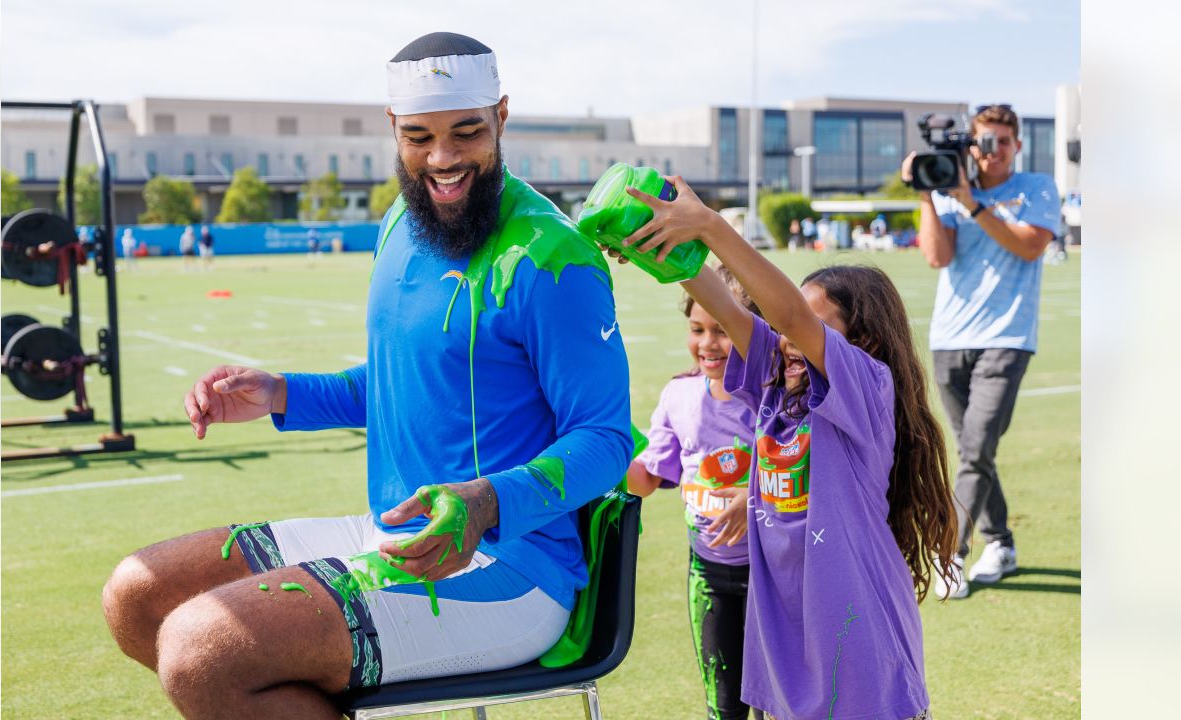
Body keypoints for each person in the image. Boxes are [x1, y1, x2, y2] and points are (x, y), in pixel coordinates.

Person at [100, 32, 632, 719]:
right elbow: (401, 385)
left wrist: (484, 502)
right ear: (394, 129)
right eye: (419, 137)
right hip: (392, 533)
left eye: (466, 133)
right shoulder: (398, 227)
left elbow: (606, 438)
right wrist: (283, 393)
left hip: (510, 570)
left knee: (207, 647)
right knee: (139, 596)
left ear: (501, 117)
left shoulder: (553, 257)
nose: (442, 159)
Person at [613, 174, 957, 720]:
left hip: (859, 637)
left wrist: (710, 225)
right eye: (785, 324)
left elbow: (791, 317)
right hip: (792, 637)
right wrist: (656, 246)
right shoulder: (777, 386)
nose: (787, 336)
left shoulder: (867, 390)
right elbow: (727, 307)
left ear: (861, 344)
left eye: (814, 328)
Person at [902, 103, 1059, 599]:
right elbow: (937, 256)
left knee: (974, 448)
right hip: (950, 338)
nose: (992, 152)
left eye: (1002, 142)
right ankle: (1002, 542)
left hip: (1007, 338)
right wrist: (928, 194)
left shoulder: (1035, 188)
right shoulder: (949, 190)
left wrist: (970, 202)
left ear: (1016, 145)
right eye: (984, 142)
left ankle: (951, 554)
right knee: (976, 450)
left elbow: (1029, 246)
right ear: (970, 145)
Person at [627, 263, 763, 720]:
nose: (708, 343)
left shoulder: (772, 395)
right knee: (723, 707)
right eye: (698, 328)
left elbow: (806, 467)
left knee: (780, 702)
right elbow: (645, 480)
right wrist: (600, 448)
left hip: (774, 577)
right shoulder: (678, 396)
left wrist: (754, 497)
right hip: (707, 575)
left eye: (723, 331)